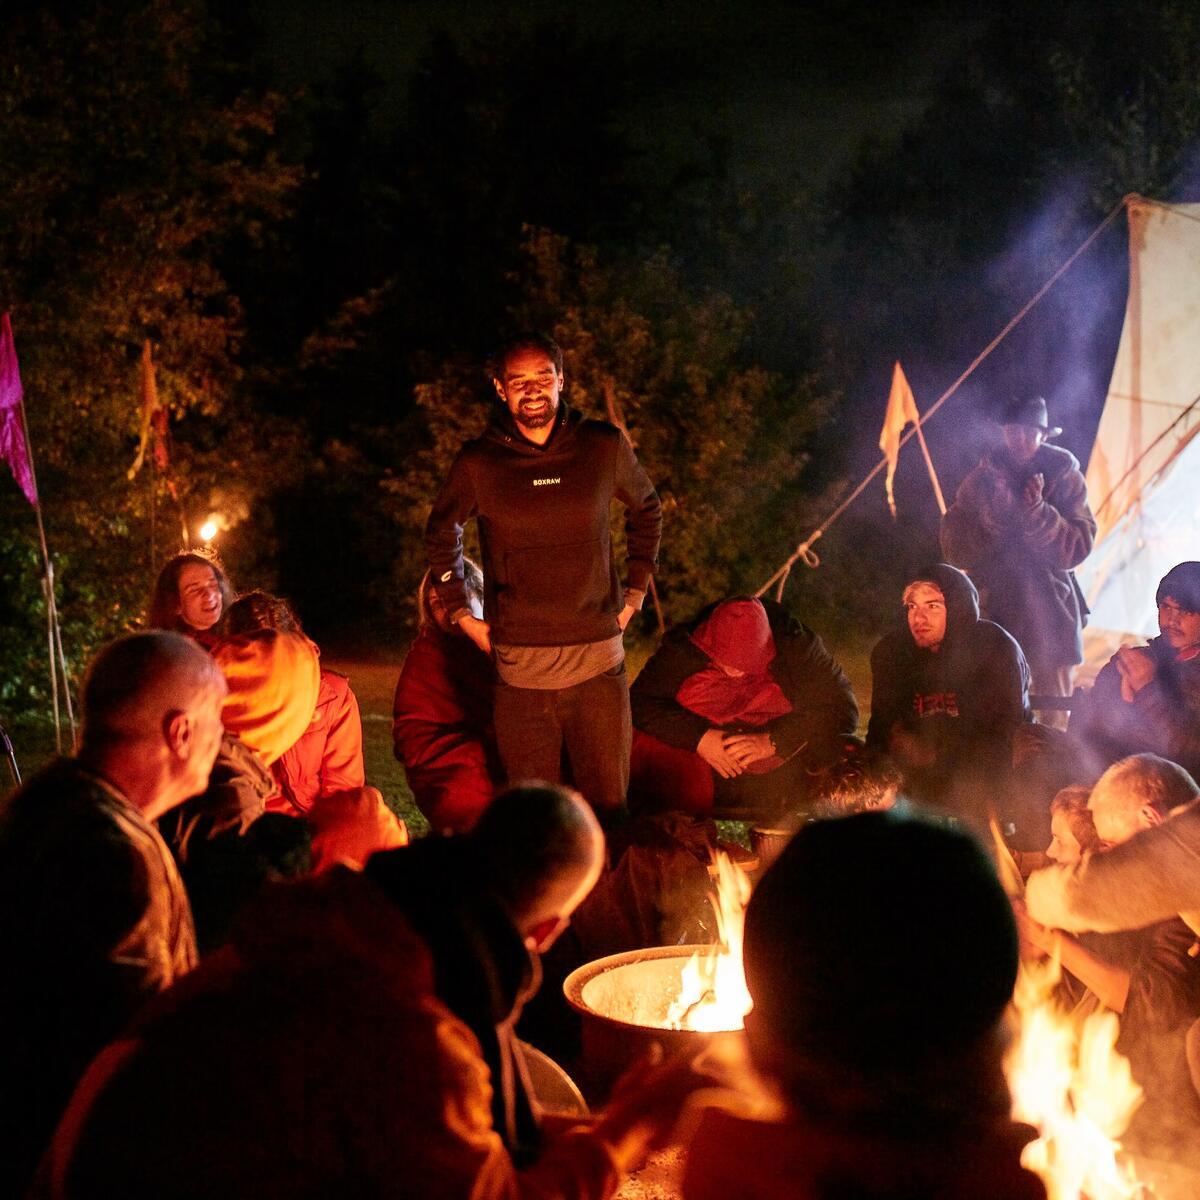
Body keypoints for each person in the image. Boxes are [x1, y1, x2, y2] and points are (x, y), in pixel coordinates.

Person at [38, 784, 704, 1200]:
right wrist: (628, 1134)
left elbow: (441, 1131)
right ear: (551, 929)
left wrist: (592, 1131)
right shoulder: (406, 1023)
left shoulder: (345, 916)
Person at [682, 810, 1046, 1200]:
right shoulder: (1007, 1188)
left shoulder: (728, 1173)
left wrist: (616, 1140)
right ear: (997, 1038)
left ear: (756, 1038)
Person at [0, 632, 224, 1198]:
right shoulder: (108, 856)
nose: (224, 738)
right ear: (181, 732)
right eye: (218, 718)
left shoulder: (53, 805)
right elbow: (123, 1063)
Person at [425, 331, 663, 818]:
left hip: (598, 664)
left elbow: (648, 509)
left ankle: (611, 895)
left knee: (608, 813)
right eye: (518, 380)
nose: (532, 389)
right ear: (500, 388)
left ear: (560, 379)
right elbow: (441, 528)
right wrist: (462, 614)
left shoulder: (602, 446)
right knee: (533, 821)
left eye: (542, 377)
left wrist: (635, 592)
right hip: (520, 670)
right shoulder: (479, 462)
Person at [1018, 755, 1200, 1164]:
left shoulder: (1191, 841)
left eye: (1113, 848)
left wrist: (1034, 911)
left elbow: (1078, 893)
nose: (1105, 858)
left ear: (1151, 818)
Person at [628, 596, 858, 818]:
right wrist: (700, 737)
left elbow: (842, 708)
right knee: (645, 744)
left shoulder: (794, 644)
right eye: (725, 663)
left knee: (847, 753)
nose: (734, 671)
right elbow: (640, 701)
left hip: (785, 758)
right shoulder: (686, 646)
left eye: (744, 666)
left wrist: (775, 740)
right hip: (706, 757)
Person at [941, 395, 1095, 710]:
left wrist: (1039, 513)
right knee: (992, 703)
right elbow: (954, 547)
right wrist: (991, 519)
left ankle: (1049, 759)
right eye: (1013, 431)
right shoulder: (981, 480)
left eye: (1029, 431)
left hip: (1050, 612)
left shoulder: (1066, 478)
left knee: (1052, 709)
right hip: (993, 606)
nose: (1020, 439)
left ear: (1043, 434)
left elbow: (1078, 545)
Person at [867, 562, 1031, 823]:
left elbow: (1004, 735)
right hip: (912, 776)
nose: (919, 619)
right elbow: (881, 727)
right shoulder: (893, 653)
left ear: (957, 608)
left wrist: (935, 755)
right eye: (912, 607)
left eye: (932, 606)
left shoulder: (993, 649)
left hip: (981, 775)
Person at [393, 558, 503, 832]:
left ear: (480, 594)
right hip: (456, 763)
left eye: (457, 596)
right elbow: (414, 730)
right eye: (435, 603)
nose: (447, 608)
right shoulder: (426, 656)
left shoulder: (509, 641)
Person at [1070, 561, 1200, 780]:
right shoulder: (1140, 659)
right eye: (1166, 607)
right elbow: (1092, 727)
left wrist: (1146, 689)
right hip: (1114, 776)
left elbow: (1191, 754)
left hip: (1176, 792)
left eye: (1185, 612)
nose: (1172, 620)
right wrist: (1117, 689)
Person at [147, 549, 235, 650]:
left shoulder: (240, 635)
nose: (209, 595)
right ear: (175, 604)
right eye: (195, 590)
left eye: (213, 585)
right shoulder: (171, 654)